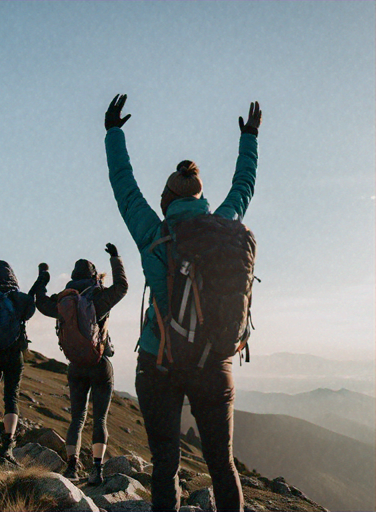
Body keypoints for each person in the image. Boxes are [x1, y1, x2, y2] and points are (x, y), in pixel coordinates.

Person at [103, 94, 261, 512]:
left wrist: (113, 133)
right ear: (202, 200)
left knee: (166, 467)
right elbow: (243, 186)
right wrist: (250, 137)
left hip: (161, 363)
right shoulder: (225, 224)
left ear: (166, 200)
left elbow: (124, 185)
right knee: (222, 465)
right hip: (215, 362)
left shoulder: (153, 234)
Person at [34, 244, 128, 485]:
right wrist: (116, 259)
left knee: (77, 418)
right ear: (93, 276)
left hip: (75, 365)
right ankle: (96, 470)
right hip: (99, 363)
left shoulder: (63, 301)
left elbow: (40, 302)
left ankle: (72, 467)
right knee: (99, 419)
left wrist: (42, 278)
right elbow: (122, 287)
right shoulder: (98, 297)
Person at [0, 259, 36, 465]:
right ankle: (7, 447)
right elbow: (29, 312)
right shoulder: (18, 297)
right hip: (13, 354)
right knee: (11, 397)